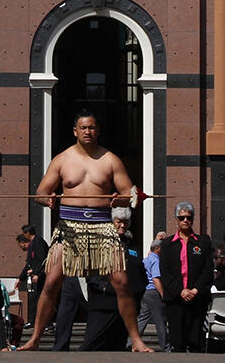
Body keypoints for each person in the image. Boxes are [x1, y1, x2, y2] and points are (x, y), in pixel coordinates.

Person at [19, 110, 152, 352]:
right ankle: (35, 338)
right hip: (69, 226)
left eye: (92, 128)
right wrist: (47, 200)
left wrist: (120, 199)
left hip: (103, 226)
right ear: (75, 131)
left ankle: (136, 340)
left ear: (97, 130)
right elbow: (40, 192)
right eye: (83, 128)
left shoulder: (110, 160)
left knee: (121, 282)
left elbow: (130, 194)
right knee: (51, 282)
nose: (88, 132)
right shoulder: (62, 159)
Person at [81, 207, 146, 351]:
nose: (122, 225)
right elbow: (90, 271)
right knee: (90, 346)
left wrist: (140, 289)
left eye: (125, 222)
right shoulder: (99, 242)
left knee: (117, 346)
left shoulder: (131, 244)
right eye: (118, 222)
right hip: (104, 305)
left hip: (127, 306)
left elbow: (139, 270)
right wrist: (103, 286)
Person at [159, 201, 213, 353]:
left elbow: (207, 270)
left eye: (189, 218)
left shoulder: (203, 242)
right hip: (176, 299)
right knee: (178, 342)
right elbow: (165, 272)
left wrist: (195, 290)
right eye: (181, 217)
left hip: (197, 299)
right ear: (176, 219)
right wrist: (180, 291)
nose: (185, 221)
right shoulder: (168, 244)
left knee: (195, 341)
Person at [134, 239, 168, 351]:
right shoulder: (156, 260)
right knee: (160, 320)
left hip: (146, 292)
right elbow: (156, 279)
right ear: (158, 249)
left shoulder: (146, 260)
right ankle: (165, 345)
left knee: (142, 318)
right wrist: (163, 295)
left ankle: (131, 342)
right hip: (154, 292)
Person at [17, 224, 49, 327]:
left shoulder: (38, 242)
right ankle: (34, 321)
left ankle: (47, 323)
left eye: (24, 234)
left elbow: (42, 260)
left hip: (41, 277)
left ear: (27, 233)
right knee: (35, 299)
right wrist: (21, 278)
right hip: (36, 276)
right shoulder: (33, 244)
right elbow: (30, 263)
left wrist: (37, 274)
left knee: (41, 299)